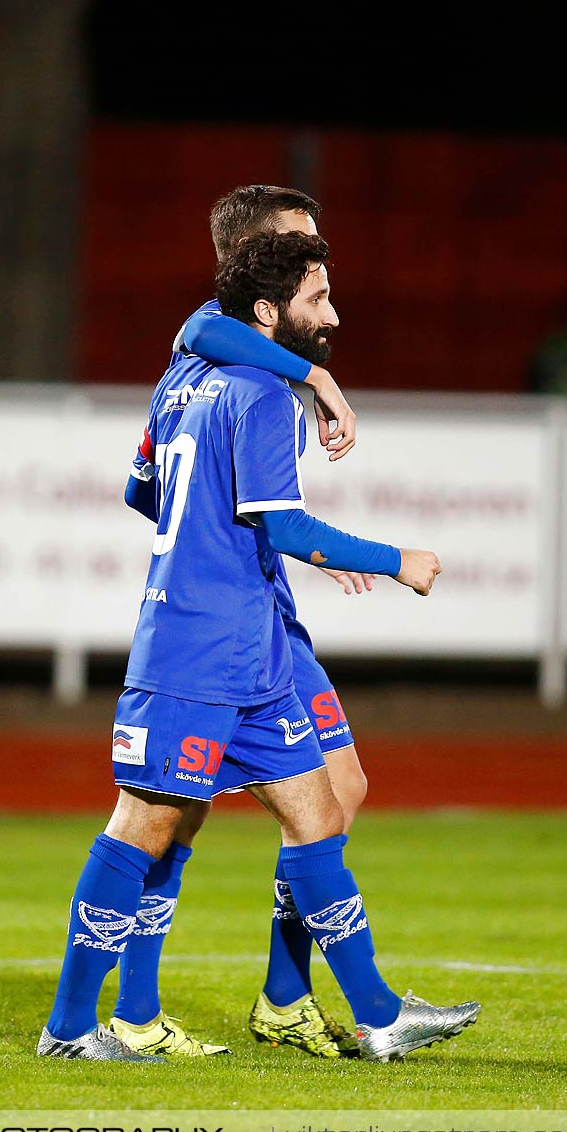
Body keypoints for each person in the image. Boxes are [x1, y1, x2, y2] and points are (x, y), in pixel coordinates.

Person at [37, 231, 479, 1063]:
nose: (333, 316)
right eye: (317, 300)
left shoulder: (185, 381)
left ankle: (377, 1015)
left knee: (319, 818)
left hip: (250, 651)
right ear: (269, 310)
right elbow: (283, 524)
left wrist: (213, 535)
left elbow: (144, 493)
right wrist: (396, 562)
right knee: (143, 827)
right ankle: (68, 1029)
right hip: (199, 653)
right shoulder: (265, 395)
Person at [106, 186, 379, 1059]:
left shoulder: (243, 358)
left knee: (338, 798)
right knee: (170, 818)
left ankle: (280, 997)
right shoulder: (219, 349)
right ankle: (132, 1013)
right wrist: (315, 376)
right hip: (227, 627)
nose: (319, 256)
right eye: (300, 246)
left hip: (266, 616)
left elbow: (144, 489)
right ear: (254, 266)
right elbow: (199, 336)